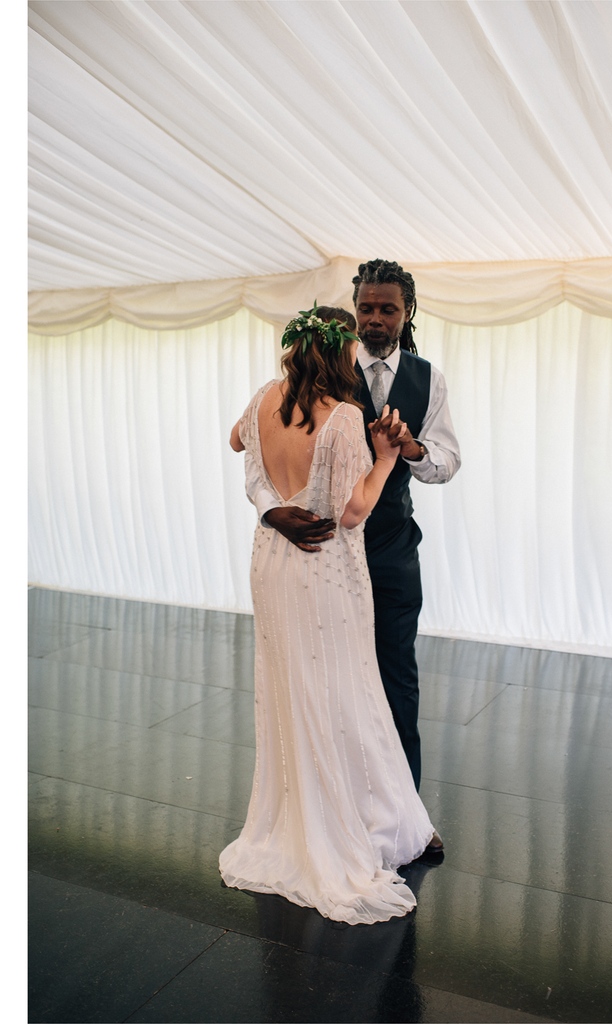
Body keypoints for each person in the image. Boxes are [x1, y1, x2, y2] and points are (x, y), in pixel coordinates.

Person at [220, 303, 441, 926]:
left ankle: (294, 818)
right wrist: (386, 456)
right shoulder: (345, 418)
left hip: (272, 564)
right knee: (344, 690)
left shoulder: (264, 396)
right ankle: (355, 818)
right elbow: (352, 512)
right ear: (341, 350)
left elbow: (237, 440)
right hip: (326, 571)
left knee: (289, 688)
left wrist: (271, 501)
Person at [249, 261, 461, 789]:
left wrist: (408, 448)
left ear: (407, 311)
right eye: (365, 307)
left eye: (387, 309)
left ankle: (406, 807)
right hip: (326, 554)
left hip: (390, 550)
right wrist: (269, 510)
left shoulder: (428, 377)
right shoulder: (323, 372)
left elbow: (447, 463)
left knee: (395, 679)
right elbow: (256, 447)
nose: (373, 319)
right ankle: (342, 805)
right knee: (329, 683)